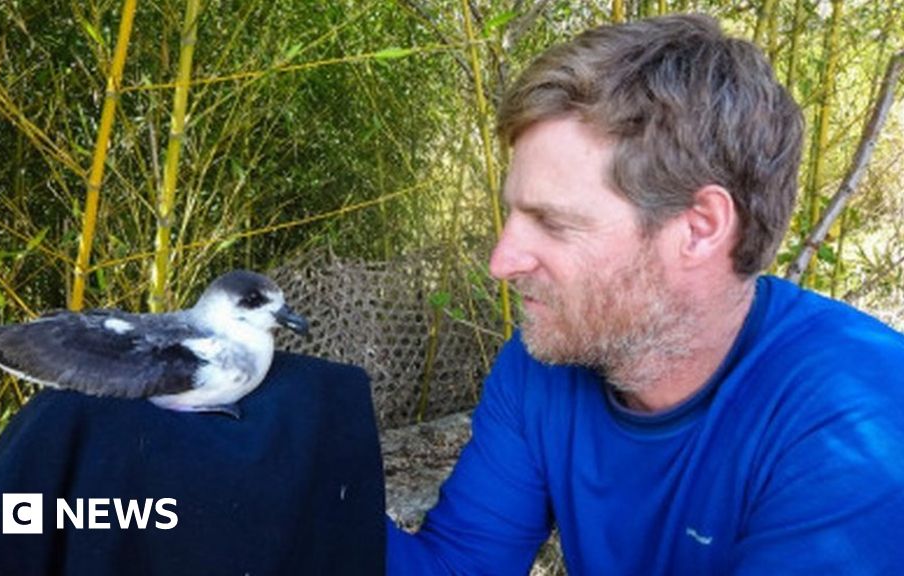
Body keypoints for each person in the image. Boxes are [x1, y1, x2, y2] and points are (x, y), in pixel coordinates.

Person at [387, 13, 904, 575]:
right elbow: (458, 568)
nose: (501, 262)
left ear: (699, 227)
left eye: (553, 223)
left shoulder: (857, 422)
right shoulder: (546, 362)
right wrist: (297, 482)